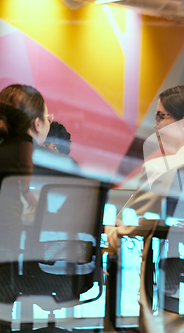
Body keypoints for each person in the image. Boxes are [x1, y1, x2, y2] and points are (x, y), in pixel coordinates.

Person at [105, 84, 184, 333]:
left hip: (161, 291)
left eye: (161, 116)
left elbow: (130, 232)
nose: (156, 126)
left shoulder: (163, 168)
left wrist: (107, 233)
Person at [0, 84, 51, 330]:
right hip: (8, 221)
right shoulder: (24, 142)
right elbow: (24, 174)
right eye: (48, 117)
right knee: (7, 269)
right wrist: (27, 192)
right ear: (37, 124)